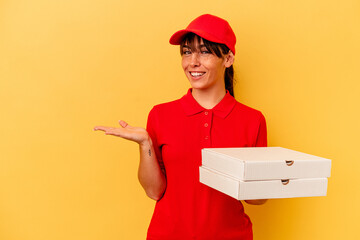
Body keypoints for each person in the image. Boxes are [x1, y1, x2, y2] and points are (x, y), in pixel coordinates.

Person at [94, 14, 267, 240]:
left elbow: (257, 199)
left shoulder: (252, 120)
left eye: (204, 51)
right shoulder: (160, 115)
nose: (193, 62)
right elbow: (153, 191)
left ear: (228, 58)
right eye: (187, 52)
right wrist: (145, 143)